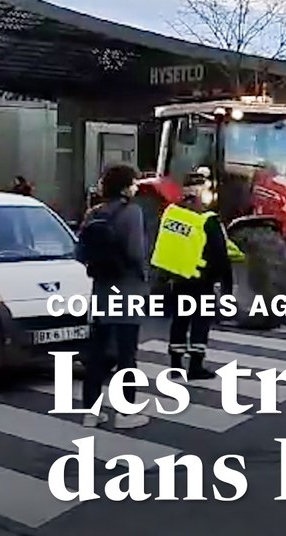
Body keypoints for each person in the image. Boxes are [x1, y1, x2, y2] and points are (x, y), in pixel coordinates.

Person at [75, 163, 150, 429]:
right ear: (125, 186)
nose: (136, 187)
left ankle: (90, 413)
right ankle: (126, 413)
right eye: (133, 182)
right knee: (127, 355)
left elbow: (80, 253)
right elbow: (136, 253)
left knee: (97, 355)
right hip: (128, 292)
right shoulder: (132, 213)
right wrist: (144, 277)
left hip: (102, 292)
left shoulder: (94, 213)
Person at [162, 206, 235, 380]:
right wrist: (226, 283)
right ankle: (195, 366)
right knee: (200, 324)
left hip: (181, 279)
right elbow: (221, 254)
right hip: (203, 282)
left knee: (179, 321)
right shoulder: (209, 221)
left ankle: (176, 366)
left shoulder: (177, 218)